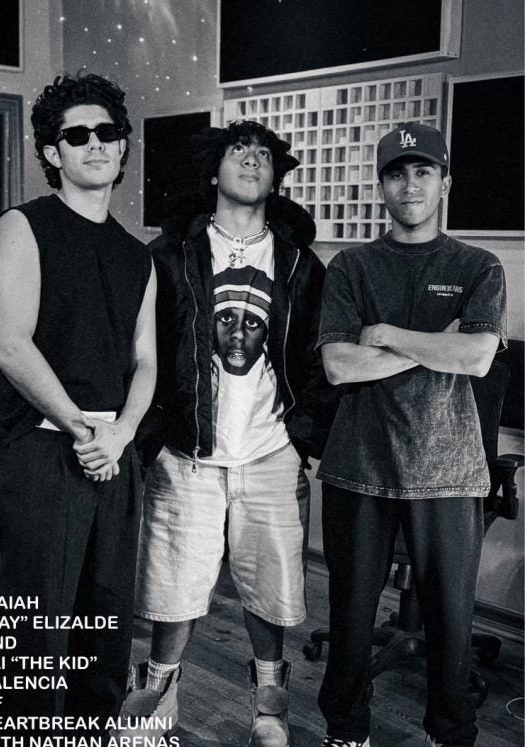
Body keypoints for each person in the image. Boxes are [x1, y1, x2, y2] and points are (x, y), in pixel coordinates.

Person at [120, 120, 326, 745]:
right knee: (173, 588)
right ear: (214, 170)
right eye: (239, 150)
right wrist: (149, 435)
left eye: (264, 154)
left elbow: (318, 354)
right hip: (188, 451)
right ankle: (160, 699)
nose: (252, 160)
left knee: (271, 588)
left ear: (276, 175)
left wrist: (302, 434)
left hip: (271, 451)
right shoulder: (169, 254)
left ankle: (269, 709)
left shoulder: (299, 262)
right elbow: (143, 350)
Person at [315, 122, 507, 747]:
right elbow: (339, 366)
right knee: (349, 618)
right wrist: (434, 345)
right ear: (382, 186)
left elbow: (476, 356)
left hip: (449, 473)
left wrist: (387, 336)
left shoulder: (477, 266)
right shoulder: (351, 266)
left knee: (451, 624)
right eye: (397, 173)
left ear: (444, 182)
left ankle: (451, 733)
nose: (410, 184)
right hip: (359, 467)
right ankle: (346, 730)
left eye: (423, 171)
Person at [0, 73, 156, 739]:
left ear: (123, 144)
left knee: (106, 625)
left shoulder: (137, 255)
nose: (95, 144)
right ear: (52, 152)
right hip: (47, 448)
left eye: (107, 132)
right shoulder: (22, 227)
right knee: (37, 627)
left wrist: (122, 434)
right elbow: (12, 347)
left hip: (114, 454)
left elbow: (146, 360)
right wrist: (86, 430)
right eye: (76, 135)